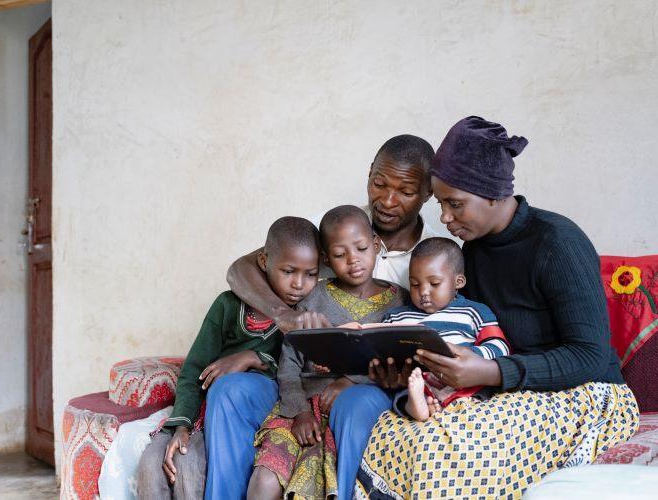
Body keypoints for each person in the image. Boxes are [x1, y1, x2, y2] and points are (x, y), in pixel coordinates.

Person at [354, 116, 639, 499]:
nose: (445, 218)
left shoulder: (557, 243)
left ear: (492, 194)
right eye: (441, 204)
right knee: (393, 434)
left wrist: (490, 371)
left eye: (455, 205)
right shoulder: (473, 252)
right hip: (509, 390)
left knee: (442, 456)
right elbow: (470, 330)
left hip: (586, 394)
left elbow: (589, 355)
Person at [215, 135, 442, 499]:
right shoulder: (334, 227)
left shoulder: (434, 257)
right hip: (303, 387)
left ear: (429, 193)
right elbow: (244, 269)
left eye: (405, 191)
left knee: (353, 405)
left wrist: (384, 380)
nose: (386, 200)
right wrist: (285, 319)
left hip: (366, 392)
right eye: (379, 183)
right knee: (229, 391)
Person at [136, 216, 321, 500]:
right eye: (288, 271)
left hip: (268, 402)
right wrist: (182, 425)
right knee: (153, 463)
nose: (299, 284)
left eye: (310, 274)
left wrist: (252, 357)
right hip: (209, 411)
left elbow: (296, 372)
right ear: (263, 261)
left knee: (195, 454)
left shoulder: (307, 314)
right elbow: (194, 370)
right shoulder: (228, 304)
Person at [247, 205, 408, 500]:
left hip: (349, 415)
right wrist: (300, 411)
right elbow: (290, 360)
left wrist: (350, 381)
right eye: (339, 254)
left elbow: (398, 364)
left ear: (375, 244)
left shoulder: (400, 302)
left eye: (361, 248)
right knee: (265, 479)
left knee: (326, 481)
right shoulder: (313, 296)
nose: (353, 260)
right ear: (325, 259)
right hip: (303, 409)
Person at [380, 236, 510, 421]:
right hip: (422, 379)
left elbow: (500, 345)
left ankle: (441, 403)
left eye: (434, 284)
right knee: (408, 388)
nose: (423, 291)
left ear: (458, 282)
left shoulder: (474, 311)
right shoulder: (398, 317)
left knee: (483, 391)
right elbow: (383, 347)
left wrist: (469, 355)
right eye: (415, 284)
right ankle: (417, 405)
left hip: (466, 380)